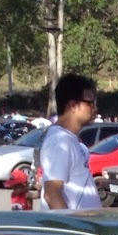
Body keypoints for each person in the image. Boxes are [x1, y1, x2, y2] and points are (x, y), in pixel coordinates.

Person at [38, 72, 100, 211]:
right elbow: (51, 194)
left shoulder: (69, 139)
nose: (95, 109)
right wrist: (72, 224)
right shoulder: (60, 141)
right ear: (73, 106)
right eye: (90, 103)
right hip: (72, 225)